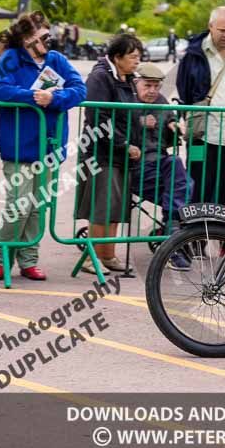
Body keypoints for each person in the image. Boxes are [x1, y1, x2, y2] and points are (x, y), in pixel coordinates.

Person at [0, 12, 87, 281]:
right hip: (18, 146)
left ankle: (29, 259)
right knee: (18, 205)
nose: (46, 39)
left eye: (46, 34)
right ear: (26, 39)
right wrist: (33, 96)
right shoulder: (11, 59)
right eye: (40, 35)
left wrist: (54, 97)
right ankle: (2, 257)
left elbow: (79, 89)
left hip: (50, 146)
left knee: (37, 207)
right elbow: (0, 91)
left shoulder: (57, 60)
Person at [75, 34, 144, 275]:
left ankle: (108, 255)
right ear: (117, 57)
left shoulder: (127, 78)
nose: (137, 61)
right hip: (101, 153)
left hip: (120, 155)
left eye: (139, 57)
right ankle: (90, 258)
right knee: (101, 207)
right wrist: (124, 144)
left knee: (115, 207)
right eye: (133, 57)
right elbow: (97, 118)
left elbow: (129, 114)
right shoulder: (100, 77)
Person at [176, 6, 225, 207]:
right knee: (200, 186)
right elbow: (183, 88)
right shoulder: (193, 54)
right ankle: (196, 234)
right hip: (203, 131)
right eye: (222, 30)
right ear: (210, 27)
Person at [131, 62, 194, 269]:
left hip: (160, 165)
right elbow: (114, 130)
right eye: (147, 86)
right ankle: (174, 235)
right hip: (135, 168)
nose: (152, 91)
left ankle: (172, 235)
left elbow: (171, 118)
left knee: (183, 179)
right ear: (136, 83)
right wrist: (139, 123)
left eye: (156, 86)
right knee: (181, 184)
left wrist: (175, 125)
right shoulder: (127, 101)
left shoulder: (161, 101)